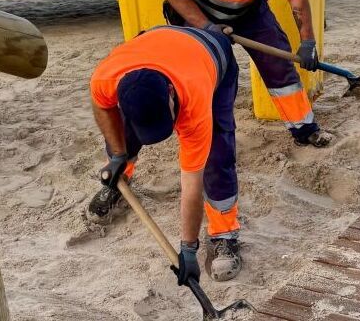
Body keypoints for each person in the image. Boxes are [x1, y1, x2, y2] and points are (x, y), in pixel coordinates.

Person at [86, 25, 244, 282]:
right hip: (156, 43)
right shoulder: (105, 79)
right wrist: (117, 155)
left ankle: (224, 233)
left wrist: (188, 248)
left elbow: (191, 185)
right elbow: (101, 108)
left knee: (217, 155)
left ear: (170, 94)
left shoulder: (195, 97)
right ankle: (120, 182)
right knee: (123, 134)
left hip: (211, 55)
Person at [165, 0, 334, 148]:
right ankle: (202, 136)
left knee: (279, 64)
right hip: (199, 13)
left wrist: (308, 42)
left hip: (249, 8)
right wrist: (208, 26)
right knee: (205, 75)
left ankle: (304, 128)